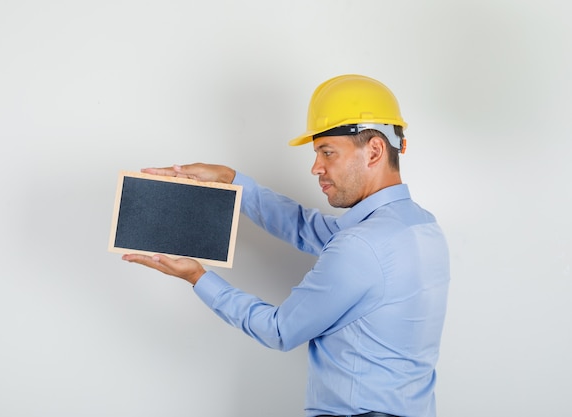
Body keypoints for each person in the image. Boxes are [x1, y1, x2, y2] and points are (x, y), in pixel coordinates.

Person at [122, 74, 450, 417]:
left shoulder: (360, 246)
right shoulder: (422, 227)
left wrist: (199, 278)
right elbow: (304, 228)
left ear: (374, 151)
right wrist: (233, 181)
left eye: (328, 152)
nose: (315, 167)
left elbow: (280, 330)